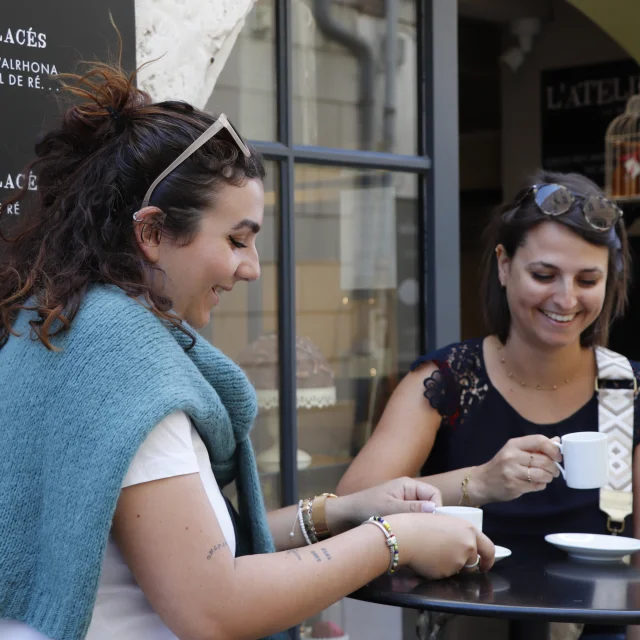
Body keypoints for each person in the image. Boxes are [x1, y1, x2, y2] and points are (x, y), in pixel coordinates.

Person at [0, 62, 495, 640]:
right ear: (152, 232)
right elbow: (214, 606)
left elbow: (186, 549)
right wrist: (394, 541)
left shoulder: (56, 321)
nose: (252, 268)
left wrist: (344, 511)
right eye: (237, 239)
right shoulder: (124, 361)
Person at [337, 170, 640, 639]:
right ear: (504, 265)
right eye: (544, 274)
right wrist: (479, 483)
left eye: (587, 279)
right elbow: (348, 508)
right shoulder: (447, 381)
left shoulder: (627, 389)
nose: (565, 298)